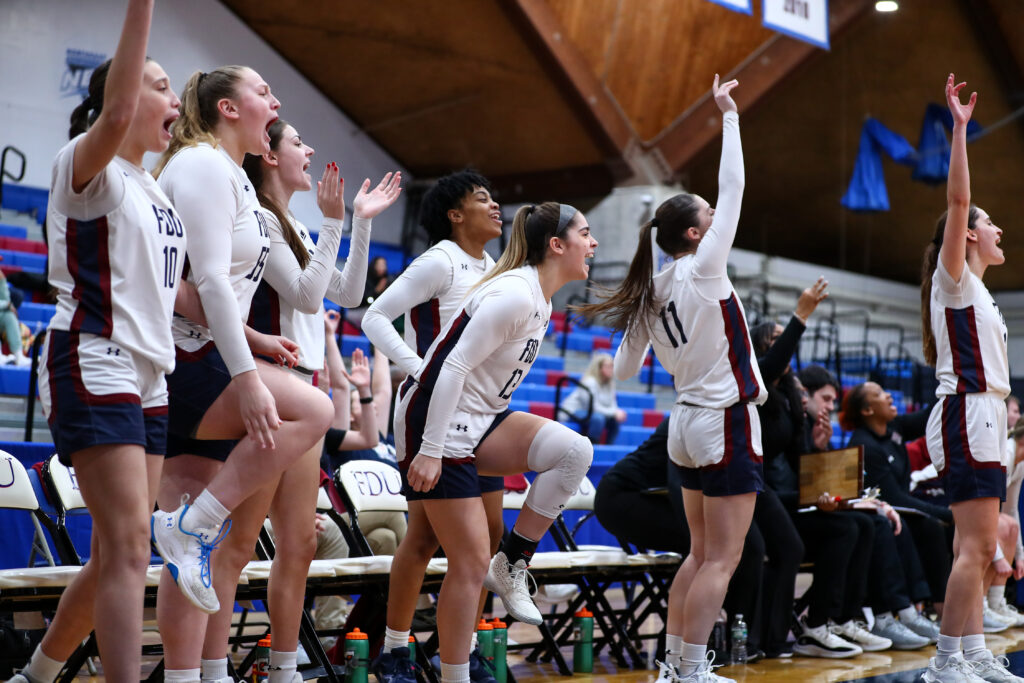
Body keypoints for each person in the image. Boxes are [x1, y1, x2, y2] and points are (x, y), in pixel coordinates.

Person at [193, 120, 397, 682]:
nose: (309, 150)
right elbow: (309, 294)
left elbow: (348, 294)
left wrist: (355, 223)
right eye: (298, 143)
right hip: (270, 386)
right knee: (237, 545)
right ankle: (213, 671)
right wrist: (335, 222)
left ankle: (285, 668)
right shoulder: (259, 221)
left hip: (304, 394)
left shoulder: (297, 227)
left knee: (300, 543)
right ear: (269, 156)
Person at [151, 65, 335, 683]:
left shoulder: (229, 175)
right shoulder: (204, 166)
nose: (275, 101)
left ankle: (192, 674)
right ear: (229, 109)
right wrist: (248, 372)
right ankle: (195, 521)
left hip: (199, 352)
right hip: (182, 360)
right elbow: (203, 281)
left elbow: (209, 285)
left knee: (190, 561)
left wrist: (254, 338)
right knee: (312, 410)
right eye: (263, 92)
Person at [13, 3, 180, 680]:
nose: (173, 96)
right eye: (158, 82)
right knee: (130, 550)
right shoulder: (87, 166)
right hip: (93, 353)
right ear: (119, 95)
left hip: (152, 373)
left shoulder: (157, 192)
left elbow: (177, 292)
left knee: (116, 554)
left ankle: (36, 675)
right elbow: (112, 119)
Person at [578, 75, 758, 683]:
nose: (715, 216)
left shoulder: (648, 292)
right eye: (706, 216)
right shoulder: (704, 268)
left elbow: (624, 370)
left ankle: (677, 668)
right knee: (722, 559)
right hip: (723, 418)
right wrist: (729, 116)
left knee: (699, 554)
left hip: (682, 423)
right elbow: (734, 187)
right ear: (693, 234)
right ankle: (691, 671)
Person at [394, 200, 596, 683]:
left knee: (575, 451)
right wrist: (431, 449)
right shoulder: (515, 294)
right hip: (434, 416)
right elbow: (453, 368)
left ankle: (513, 561)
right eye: (585, 234)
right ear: (556, 244)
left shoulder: (542, 298)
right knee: (464, 562)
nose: (592, 244)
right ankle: (451, 674)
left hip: (481, 417)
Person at [361, 170, 507, 682]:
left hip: (481, 415)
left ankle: (455, 645)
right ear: (454, 213)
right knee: (428, 542)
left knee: (487, 538)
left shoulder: (493, 266)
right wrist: (422, 368)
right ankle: (400, 651)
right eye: (483, 197)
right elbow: (374, 316)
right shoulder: (439, 260)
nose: (496, 206)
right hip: (432, 413)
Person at [918, 74, 1020, 683]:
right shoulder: (953, 280)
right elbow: (958, 202)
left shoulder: (979, 292)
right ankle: (945, 662)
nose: (999, 230)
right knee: (977, 548)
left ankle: (973, 650)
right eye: (992, 223)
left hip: (985, 417)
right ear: (969, 235)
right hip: (966, 413)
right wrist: (958, 128)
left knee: (979, 549)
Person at [558, 352, 626, 444]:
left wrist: (616, 413)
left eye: (612, 366)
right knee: (598, 419)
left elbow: (612, 404)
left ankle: (608, 447)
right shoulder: (590, 382)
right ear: (599, 367)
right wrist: (614, 413)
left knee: (614, 422)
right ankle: (592, 446)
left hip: (591, 414)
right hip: (572, 412)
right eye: (608, 366)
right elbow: (593, 408)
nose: (612, 369)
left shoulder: (610, 384)